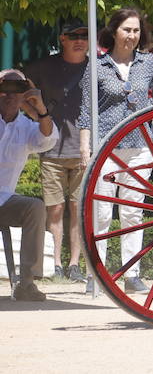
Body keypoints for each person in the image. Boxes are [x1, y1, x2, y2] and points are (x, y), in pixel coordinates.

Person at [77, 7, 153, 293]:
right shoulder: (97, 67)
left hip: (140, 149)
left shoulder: (148, 63)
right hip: (106, 149)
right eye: (127, 30)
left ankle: (131, 272)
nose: (132, 36)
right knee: (101, 213)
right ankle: (95, 274)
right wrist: (85, 150)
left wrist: (152, 106)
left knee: (132, 212)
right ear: (113, 32)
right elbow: (86, 112)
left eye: (136, 30)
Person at [23, 20, 90, 283]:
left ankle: (74, 264)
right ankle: (56, 264)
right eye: (73, 35)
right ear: (62, 39)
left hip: (84, 149)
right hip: (51, 149)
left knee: (77, 208)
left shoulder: (96, 68)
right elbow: (23, 91)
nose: (79, 40)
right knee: (54, 209)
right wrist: (38, 118)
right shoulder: (44, 66)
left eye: (84, 36)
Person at [0, 68, 57, 301]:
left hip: (4, 201)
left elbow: (49, 138)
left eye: (18, 88)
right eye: (5, 88)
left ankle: (27, 283)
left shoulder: (26, 126)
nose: (11, 94)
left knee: (34, 207)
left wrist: (39, 107)